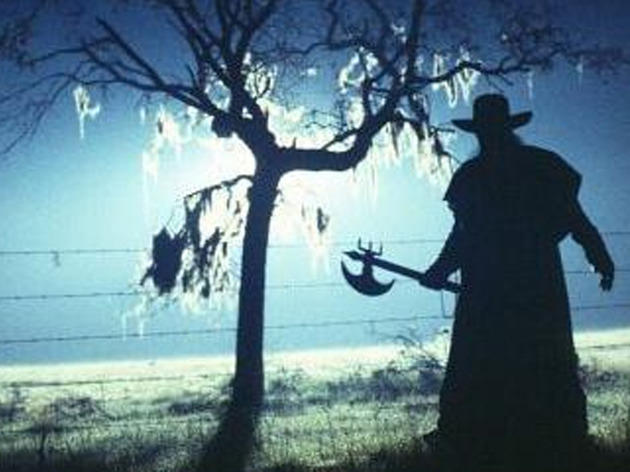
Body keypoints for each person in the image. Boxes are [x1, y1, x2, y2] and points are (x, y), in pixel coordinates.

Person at [422, 94, 615, 471]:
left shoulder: (534, 170)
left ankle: (546, 441)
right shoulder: (493, 174)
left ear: (500, 130)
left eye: (491, 131)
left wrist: (599, 256)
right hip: (506, 285)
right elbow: (462, 233)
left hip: (521, 285)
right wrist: (440, 269)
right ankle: (482, 442)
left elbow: (574, 218)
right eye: (485, 132)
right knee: (488, 360)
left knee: (535, 357)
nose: (488, 137)